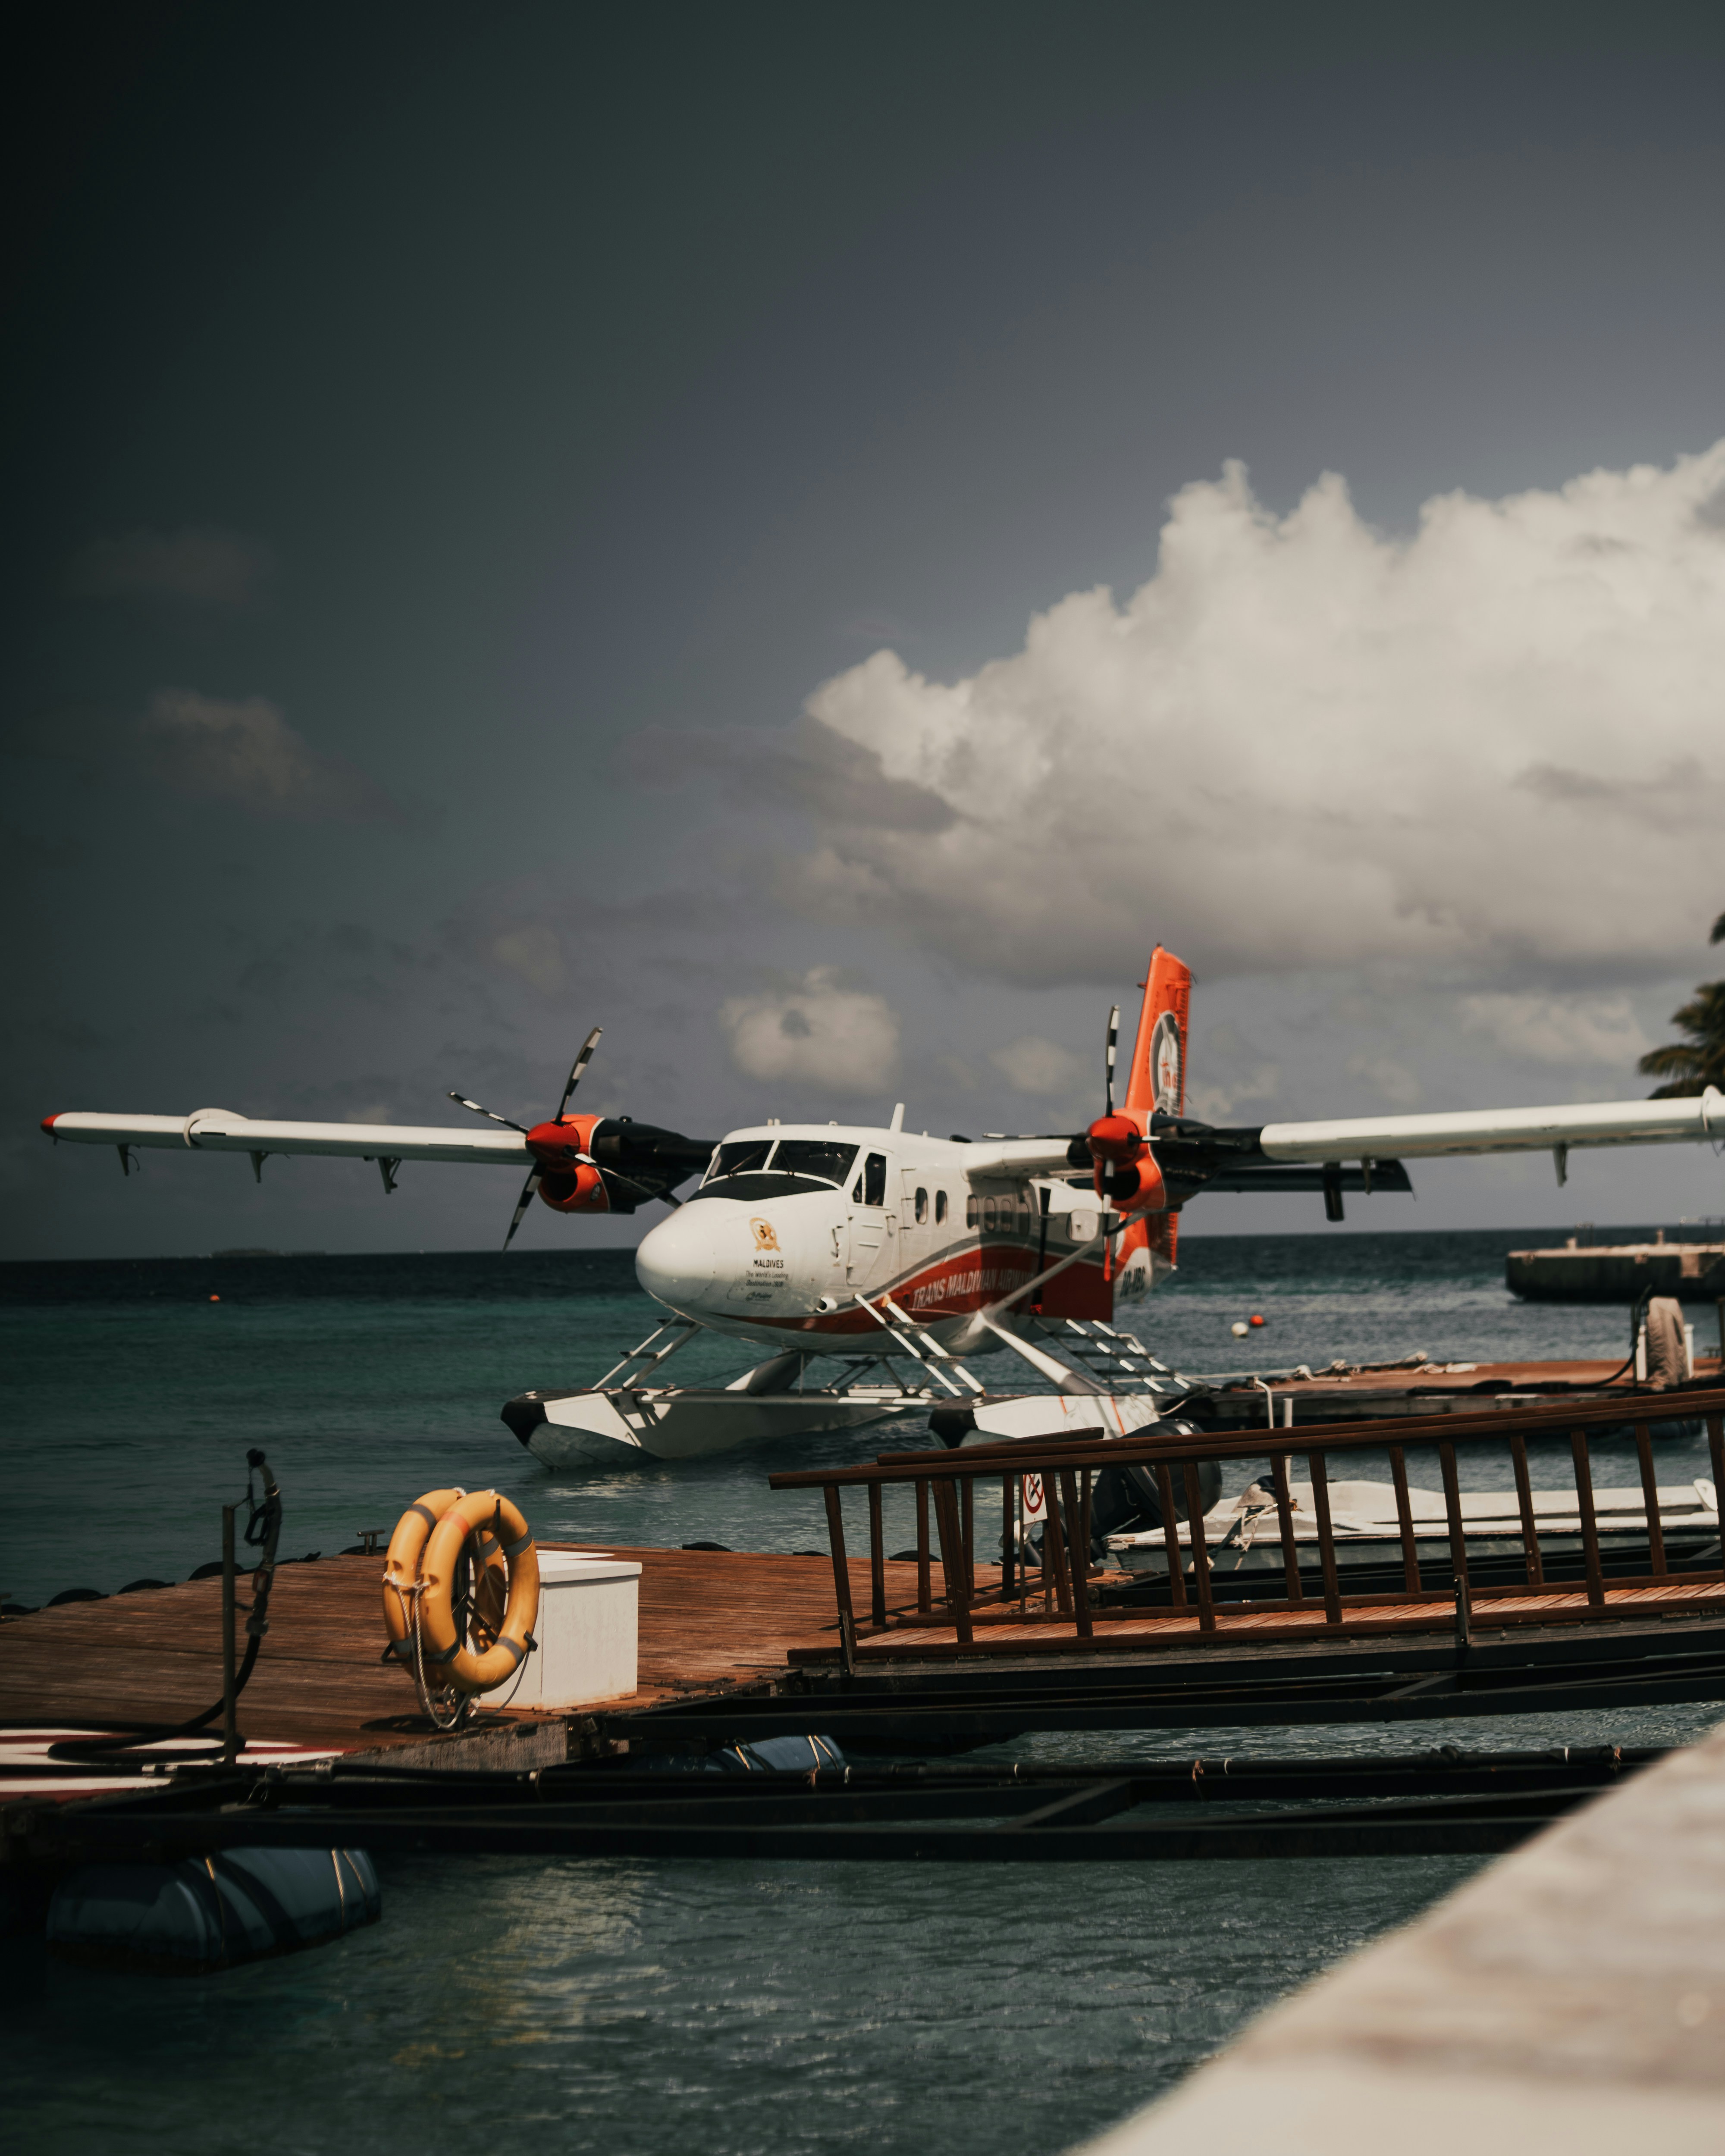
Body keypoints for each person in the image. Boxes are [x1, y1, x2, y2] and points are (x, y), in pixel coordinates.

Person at [1643, 1294, 1688, 1390]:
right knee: (1670, 1343)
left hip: (1659, 1302)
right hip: (1669, 1302)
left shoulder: (1656, 1302)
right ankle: (1673, 1377)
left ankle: (1667, 1378)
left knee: (1662, 1343)